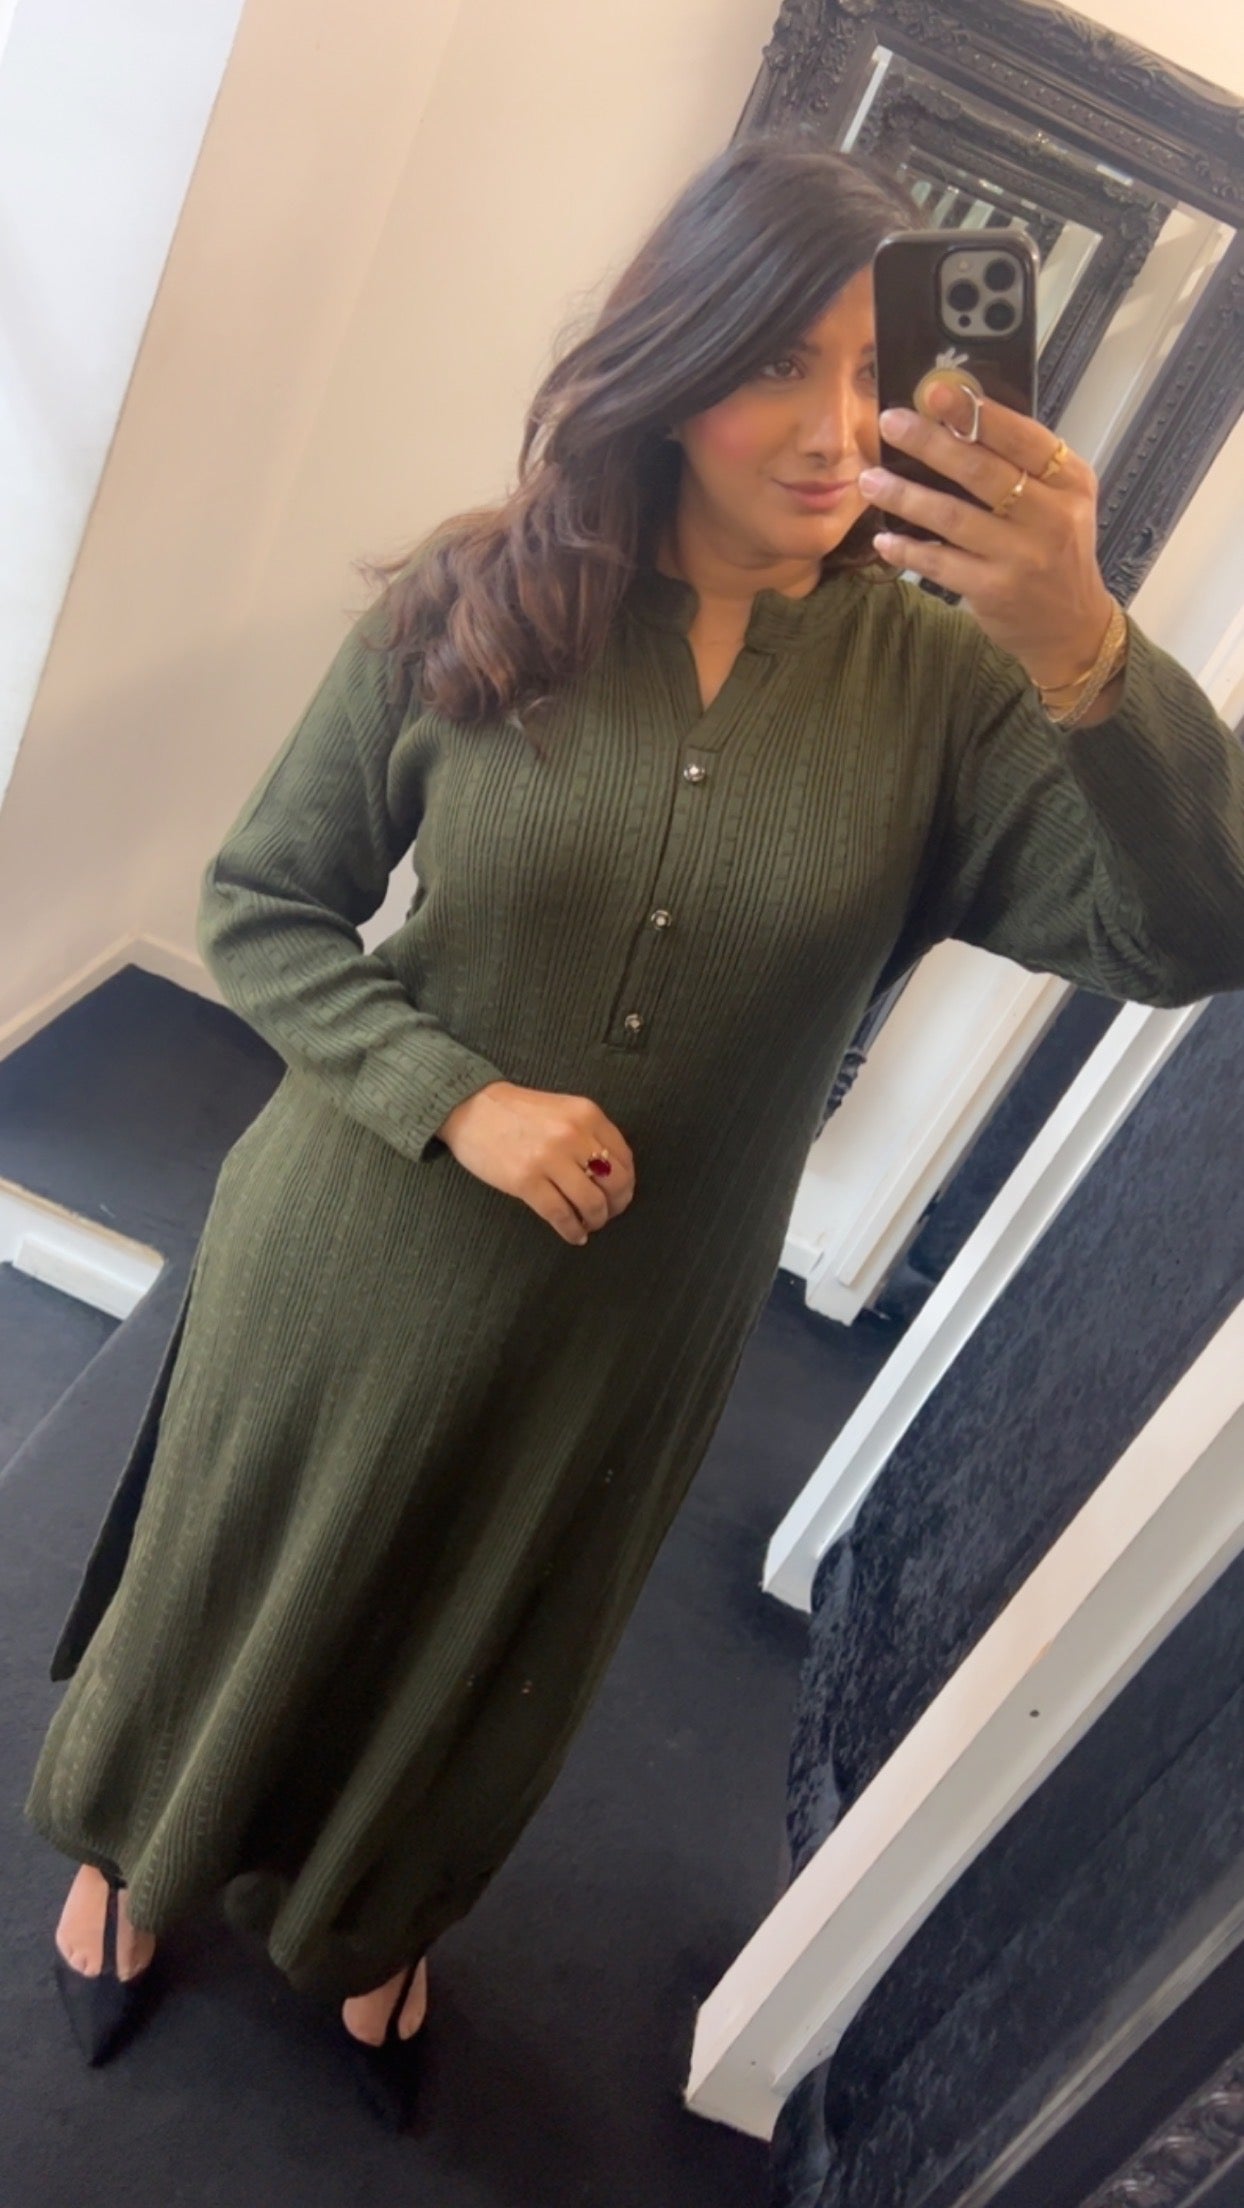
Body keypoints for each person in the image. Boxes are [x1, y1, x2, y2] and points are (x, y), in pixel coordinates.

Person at [24, 135, 1244, 2133]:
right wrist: (457, 1097)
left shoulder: (947, 692)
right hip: (352, 1240)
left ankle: (372, 1909)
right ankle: (136, 1864)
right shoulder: (480, 591)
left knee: (490, 1636)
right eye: (780, 364)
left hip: (632, 1312)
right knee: (246, 1566)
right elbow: (265, 906)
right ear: (673, 367)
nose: (838, 429)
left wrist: (1082, 649)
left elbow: (1188, 933)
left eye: (882, 376)